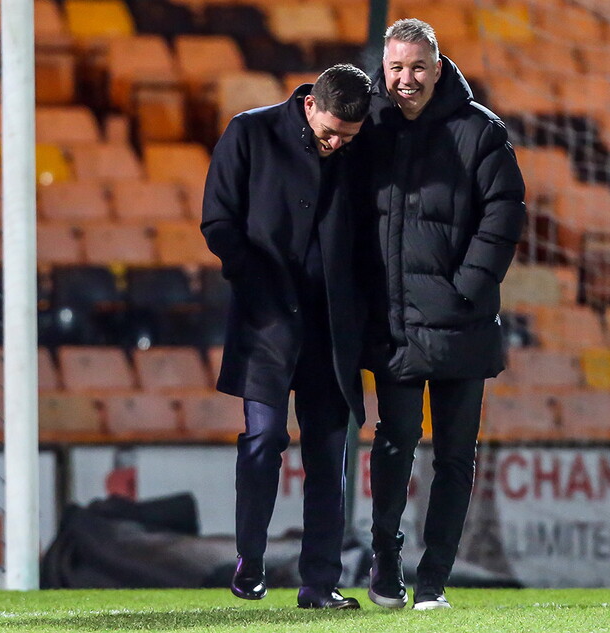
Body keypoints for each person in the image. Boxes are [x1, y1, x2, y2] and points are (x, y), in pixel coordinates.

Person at [356, 19, 526, 610]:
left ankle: (433, 583)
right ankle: (384, 566)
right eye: (396, 67)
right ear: (385, 65)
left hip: (461, 323)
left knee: (455, 457)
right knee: (394, 443)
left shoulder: (480, 131)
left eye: (417, 67)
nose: (406, 79)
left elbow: (504, 213)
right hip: (394, 323)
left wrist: (466, 290)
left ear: (437, 65)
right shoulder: (365, 127)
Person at [201, 64, 372, 610]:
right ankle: (250, 560)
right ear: (309, 105)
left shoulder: (358, 151)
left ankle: (320, 585)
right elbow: (217, 222)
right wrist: (258, 286)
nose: (336, 143)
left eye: (348, 137)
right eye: (330, 132)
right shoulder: (248, 133)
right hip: (266, 323)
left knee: (329, 455)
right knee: (264, 441)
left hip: (330, 331)